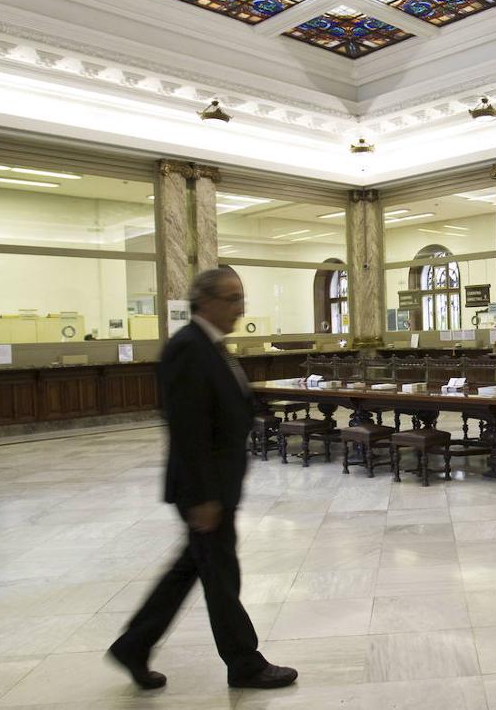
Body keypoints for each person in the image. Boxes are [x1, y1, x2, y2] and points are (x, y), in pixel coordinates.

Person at [107, 267, 297, 691]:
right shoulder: (187, 348)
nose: (240, 307)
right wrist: (202, 497)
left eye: (241, 298)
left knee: (190, 570)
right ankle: (245, 663)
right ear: (205, 301)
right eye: (232, 299)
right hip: (204, 490)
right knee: (221, 576)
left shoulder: (213, 347)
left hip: (216, 485)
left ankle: (134, 646)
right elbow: (187, 429)